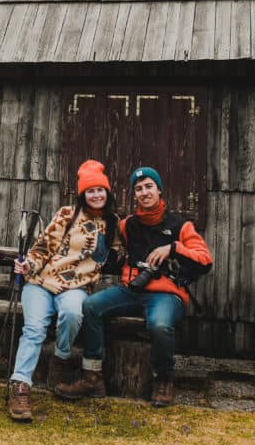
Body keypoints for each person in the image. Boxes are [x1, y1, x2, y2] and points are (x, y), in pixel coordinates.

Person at [56, 166, 213, 407]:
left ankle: (163, 380)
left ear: (159, 190)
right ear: (134, 195)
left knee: (159, 325)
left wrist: (173, 248)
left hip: (166, 295)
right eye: (138, 189)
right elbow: (104, 239)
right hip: (131, 290)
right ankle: (92, 376)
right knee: (91, 306)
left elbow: (205, 260)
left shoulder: (181, 226)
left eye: (149, 186)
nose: (144, 192)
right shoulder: (127, 225)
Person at [7, 159, 122, 422]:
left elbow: (120, 254)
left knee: (72, 314)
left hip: (76, 288)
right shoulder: (66, 214)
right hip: (41, 284)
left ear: (107, 193)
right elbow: (42, 247)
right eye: (90, 191)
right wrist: (28, 265)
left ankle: (59, 361)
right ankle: (20, 385)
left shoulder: (113, 224)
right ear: (83, 194)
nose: (96, 195)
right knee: (34, 328)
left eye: (100, 190)